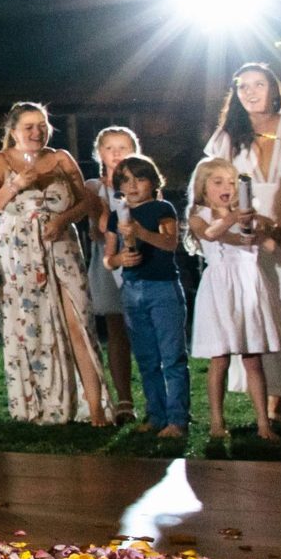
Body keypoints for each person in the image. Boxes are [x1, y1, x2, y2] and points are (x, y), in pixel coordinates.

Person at [0, 102, 112, 426]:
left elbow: (86, 202)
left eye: (42, 125)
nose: (37, 132)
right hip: (17, 252)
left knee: (77, 321)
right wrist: (14, 186)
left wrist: (63, 219)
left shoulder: (61, 158)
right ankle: (39, 405)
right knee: (29, 325)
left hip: (61, 246)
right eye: (29, 127)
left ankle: (95, 408)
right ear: (13, 131)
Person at [204, 63, 281, 420]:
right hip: (250, 239)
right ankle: (273, 393)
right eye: (243, 87)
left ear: (275, 90)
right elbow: (211, 185)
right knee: (263, 313)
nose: (252, 92)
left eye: (259, 85)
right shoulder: (227, 137)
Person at [184, 155, 281, 444]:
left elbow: (269, 245)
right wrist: (233, 220)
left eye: (232, 182)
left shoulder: (247, 213)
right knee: (219, 359)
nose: (227, 187)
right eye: (218, 182)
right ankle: (217, 422)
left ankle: (263, 422)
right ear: (203, 187)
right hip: (221, 288)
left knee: (252, 358)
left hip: (248, 285)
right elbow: (209, 235)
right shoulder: (200, 214)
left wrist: (262, 227)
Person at [99, 154, 191, 440]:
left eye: (140, 178)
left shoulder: (161, 208)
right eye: (125, 180)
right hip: (132, 290)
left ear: (152, 181)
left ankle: (177, 419)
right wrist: (119, 259)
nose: (133, 185)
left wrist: (140, 232)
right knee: (146, 357)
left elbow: (169, 242)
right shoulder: (117, 216)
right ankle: (156, 414)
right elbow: (108, 259)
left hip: (162, 288)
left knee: (172, 357)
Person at [88, 127, 146, 422]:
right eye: (109, 147)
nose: (116, 153)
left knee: (146, 329)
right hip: (109, 261)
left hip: (141, 258)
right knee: (117, 331)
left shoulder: (144, 185)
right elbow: (97, 229)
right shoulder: (93, 188)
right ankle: (125, 399)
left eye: (123, 147)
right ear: (100, 153)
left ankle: (157, 397)